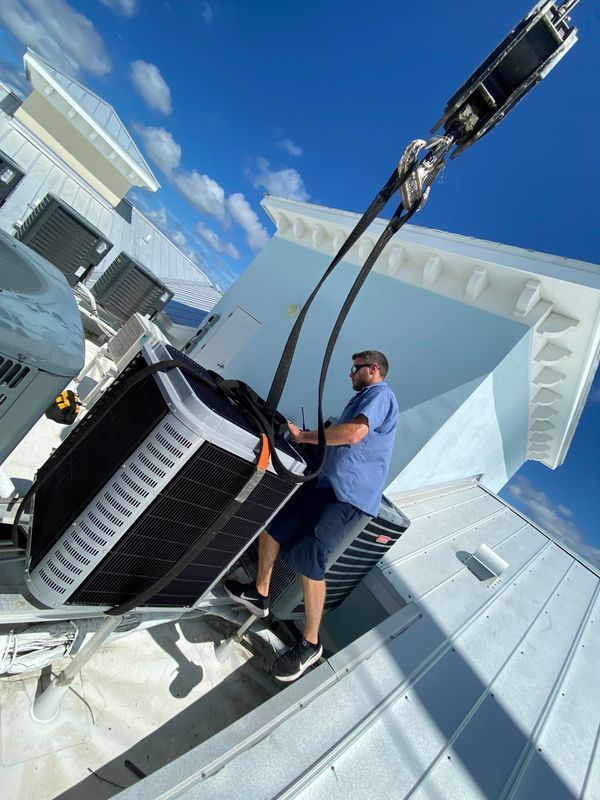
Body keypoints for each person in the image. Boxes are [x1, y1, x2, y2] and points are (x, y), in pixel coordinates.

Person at [224, 350, 399, 682]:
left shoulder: (380, 394)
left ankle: (310, 643)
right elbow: (339, 438)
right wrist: (305, 435)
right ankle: (259, 593)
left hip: (348, 497)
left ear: (373, 369)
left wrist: (305, 436)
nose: (350, 375)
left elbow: (352, 436)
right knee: (274, 524)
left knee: (308, 557)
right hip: (324, 484)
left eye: (355, 369)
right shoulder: (359, 401)